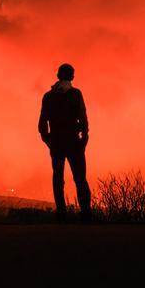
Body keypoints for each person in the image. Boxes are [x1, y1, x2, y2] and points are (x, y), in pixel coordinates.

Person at [38, 63, 91, 222]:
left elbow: (42, 123)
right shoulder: (75, 94)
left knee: (58, 177)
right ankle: (86, 214)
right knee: (80, 177)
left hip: (57, 142)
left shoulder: (48, 96)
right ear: (72, 76)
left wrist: (48, 140)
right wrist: (84, 138)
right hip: (73, 141)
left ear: (58, 76)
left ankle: (61, 213)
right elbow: (83, 117)